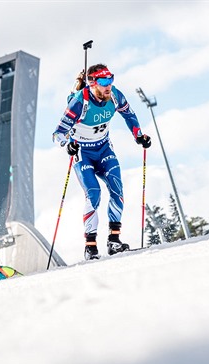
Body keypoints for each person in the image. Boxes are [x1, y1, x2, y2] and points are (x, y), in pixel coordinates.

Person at [52, 63, 151, 260]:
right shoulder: (80, 102)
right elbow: (57, 134)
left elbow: (129, 115)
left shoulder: (114, 95)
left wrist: (138, 135)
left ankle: (114, 241)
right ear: (92, 84)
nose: (109, 85)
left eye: (111, 79)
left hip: (104, 148)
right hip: (84, 153)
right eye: (104, 82)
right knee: (94, 194)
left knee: (117, 189)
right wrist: (67, 145)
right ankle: (90, 246)